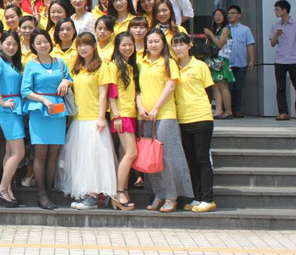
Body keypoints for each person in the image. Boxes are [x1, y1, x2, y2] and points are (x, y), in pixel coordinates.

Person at [56, 32, 117, 210]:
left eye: (86, 44)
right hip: (78, 119)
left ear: (94, 46)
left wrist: (101, 118)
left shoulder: (102, 67)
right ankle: (85, 193)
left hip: (94, 120)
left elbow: (104, 94)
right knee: (80, 160)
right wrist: (66, 81)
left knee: (93, 160)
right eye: (80, 45)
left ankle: (94, 195)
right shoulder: (77, 68)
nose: (83, 48)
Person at [136, 29, 193, 212]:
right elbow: (137, 88)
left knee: (166, 157)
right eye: (150, 41)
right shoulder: (141, 61)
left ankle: (171, 196)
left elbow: (170, 87)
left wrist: (156, 108)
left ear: (163, 43)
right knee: (150, 157)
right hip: (145, 117)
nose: (153, 45)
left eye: (156, 41)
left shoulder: (168, 62)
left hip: (165, 115)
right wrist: (140, 107)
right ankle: (158, 194)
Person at [21, 28, 72, 210]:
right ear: (33, 46)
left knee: (53, 155)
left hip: (58, 111)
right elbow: (25, 91)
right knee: (40, 154)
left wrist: (66, 81)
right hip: (39, 111)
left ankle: (49, 191)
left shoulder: (59, 62)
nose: (43, 45)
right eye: (38, 43)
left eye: (45, 42)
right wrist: (43, 99)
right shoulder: (31, 65)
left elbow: (70, 79)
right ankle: (41, 192)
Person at [171, 33, 217, 213]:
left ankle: (208, 198)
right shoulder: (172, 67)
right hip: (183, 119)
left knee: (202, 159)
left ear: (189, 45)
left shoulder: (199, 66)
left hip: (201, 117)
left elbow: (209, 91)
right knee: (191, 160)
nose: (178, 48)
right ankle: (197, 196)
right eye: (175, 45)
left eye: (181, 44)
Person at [0, 30, 25, 208]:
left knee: (10, 152)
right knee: (19, 152)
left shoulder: (13, 63)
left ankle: (7, 189)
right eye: (8, 43)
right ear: (1, 44)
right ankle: (2, 189)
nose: (11, 47)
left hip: (15, 108)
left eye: (15, 44)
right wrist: (1, 101)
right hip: (8, 109)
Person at [106, 32, 139, 211]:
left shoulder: (130, 66)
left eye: (130, 44)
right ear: (117, 47)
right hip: (122, 115)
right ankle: (118, 193)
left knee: (124, 153)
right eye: (124, 45)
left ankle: (123, 189)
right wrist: (116, 115)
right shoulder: (114, 65)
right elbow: (111, 93)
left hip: (132, 113)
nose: (127, 48)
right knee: (131, 153)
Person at [269, 0, 296, 121]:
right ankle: (283, 112)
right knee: (280, 87)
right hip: (280, 60)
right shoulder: (275, 26)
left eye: (277, 9)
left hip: (294, 59)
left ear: (285, 10)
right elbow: (272, 44)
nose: (276, 12)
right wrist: (276, 35)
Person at [202, 9, 235, 120]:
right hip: (215, 60)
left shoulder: (225, 29)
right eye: (216, 15)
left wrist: (210, 34)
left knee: (223, 86)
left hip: (221, 60)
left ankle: (228, 111)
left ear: (224, 17)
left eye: (220, 15)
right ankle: (218, 110)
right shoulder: (216, 30)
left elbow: (220, 44)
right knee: (216, 85)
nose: (218, 17)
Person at [227, 5, 256, 118]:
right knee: (228, 88)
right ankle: (228, 109)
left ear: (239, 15)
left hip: (241, 63)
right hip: (227, 63)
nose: (230, 15)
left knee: (238, 88)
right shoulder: (225, 29)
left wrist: (252, 59)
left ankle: (237, 109)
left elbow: (250, 44)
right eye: (229, 13)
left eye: (233, 13)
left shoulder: (245, 29)